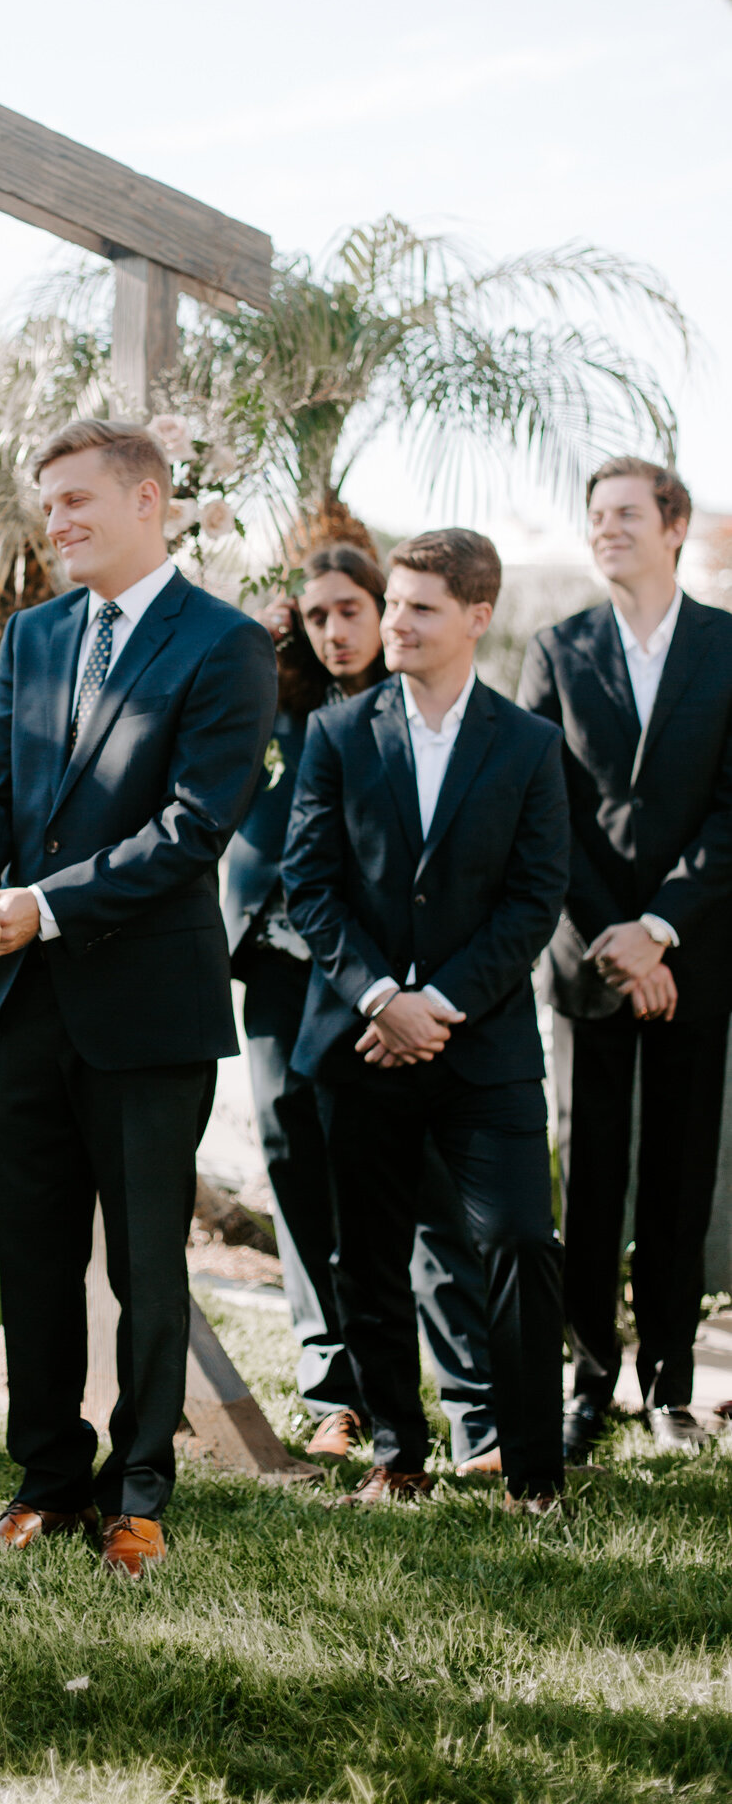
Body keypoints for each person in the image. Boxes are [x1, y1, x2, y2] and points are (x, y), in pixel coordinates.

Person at [0, 418, 278, 1577]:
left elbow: (191, 828)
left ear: (150, 499)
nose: (59, 522)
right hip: (24, 1001)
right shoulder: (30, 636)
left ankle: (138, 1492)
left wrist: (41, 902)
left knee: (144, 1263)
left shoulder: (225, 644)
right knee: (31, 1255)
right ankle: (45, 1482)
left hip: (144, 1005)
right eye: (51, 506)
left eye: (79, 500)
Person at [284, 528, 570, 1511]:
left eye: (418, 607)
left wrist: (435, 1004)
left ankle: (531, 1469)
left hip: (481, 1044)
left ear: (476, 617)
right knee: (365, 1253)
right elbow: (307, 887)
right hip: (360, 1040)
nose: (393, 622)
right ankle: (397, 1453)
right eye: (392, 603)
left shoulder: (530, 744)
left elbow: (535, 898)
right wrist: (380, 997)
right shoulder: (335, 735)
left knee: (520, 1239)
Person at [226, 541, 500, 1473]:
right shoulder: (274, 707)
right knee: (291, 1155)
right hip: (276, 964)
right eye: (316, 616)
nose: (338, 631)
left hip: (385, 975)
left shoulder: (425, 708)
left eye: (353, 610)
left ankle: (475, 1402)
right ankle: (334, 1392)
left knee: (422, 1179)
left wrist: (395, 991)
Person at [518, 457, 732, 1458]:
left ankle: (671, 1387)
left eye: (624, 514)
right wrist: (614, 932)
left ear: (673, 524)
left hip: (694, 955)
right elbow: (541, 805)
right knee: (590, 1176)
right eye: (594, 514)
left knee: (679, 1178)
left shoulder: (728, 648)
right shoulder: (556, 649)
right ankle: (587, 1383)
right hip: (588, 956)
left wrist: (663, 926)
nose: (605, 528)